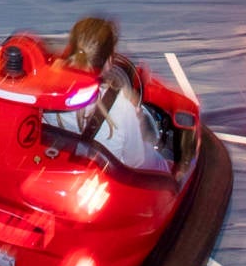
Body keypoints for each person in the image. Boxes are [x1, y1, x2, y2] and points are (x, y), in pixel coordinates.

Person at [43, 17, 166, 172]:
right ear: (108, 62)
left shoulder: (46, 92)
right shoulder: (122, 109)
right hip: (103, 180)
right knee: (157, 160)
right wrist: (137, 119)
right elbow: (135, 161)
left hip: (59, 165)